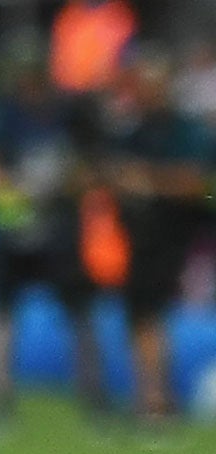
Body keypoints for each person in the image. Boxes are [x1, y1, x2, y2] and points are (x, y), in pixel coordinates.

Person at [0, 48, 106, 424]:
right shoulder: (6, 115)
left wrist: (59, 184)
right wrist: (18, 192)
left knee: (78, 310)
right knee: (2, 312)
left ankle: (93, 396)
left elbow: (90, 167)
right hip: (16, 225)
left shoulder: (69, 112)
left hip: (59, 225)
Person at [104, 47, 212, 423]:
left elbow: (200, 184)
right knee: (142, 313)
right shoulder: (134, 129)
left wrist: (147, 180)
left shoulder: (188, 130)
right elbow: (113, 173)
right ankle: (152, 397)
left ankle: (157, 399)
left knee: (152, 313)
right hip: (142, 236)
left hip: (184, 237)